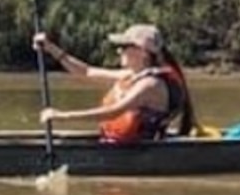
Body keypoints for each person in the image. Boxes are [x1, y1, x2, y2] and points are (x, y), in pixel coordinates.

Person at [30, 23, 196, 142]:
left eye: (125, 46)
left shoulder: (150, 86)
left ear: (143, 53)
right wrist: (50, 48)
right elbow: (86, 72)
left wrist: (61, 116)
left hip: (136, 150)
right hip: (116, 143)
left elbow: (113, 112)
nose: (119, 50)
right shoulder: (132, 75)